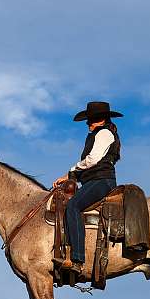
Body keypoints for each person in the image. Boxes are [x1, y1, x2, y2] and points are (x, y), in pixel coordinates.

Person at [52, 101, 122, 274]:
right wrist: (69, 176)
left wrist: (72, 170)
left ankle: (77, 259)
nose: (88, 123)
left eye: (92, 119)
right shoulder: (99, 133)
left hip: (101, 181)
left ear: (102, 120)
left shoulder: (104, 133)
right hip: (94, 180)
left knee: (73, 206)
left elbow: (92, 160)